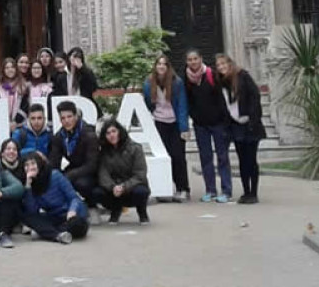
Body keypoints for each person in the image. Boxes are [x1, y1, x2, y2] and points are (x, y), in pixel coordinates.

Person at [183, 49, 233, 203]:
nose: (193, 62)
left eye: (195, 59)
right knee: (205, 158)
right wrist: (193, 116)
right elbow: (187, 100)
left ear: (201, 59)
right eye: (190, 59)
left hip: (218, 123)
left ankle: (226, 190)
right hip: (200, 125)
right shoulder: (186, 78)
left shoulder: (212, 75)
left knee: (222, 157)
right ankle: (210, 190)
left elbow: (222, 98)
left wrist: (225, 121)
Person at [216, 53, 266, 204]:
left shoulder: (242, 76)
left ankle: (254, 193)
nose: (221, 67)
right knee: (242, 160)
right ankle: (245, 192)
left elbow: (255, 96)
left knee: (251, 160)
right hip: (235, 125)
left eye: (223, 64)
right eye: (218, 65)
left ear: (229, 63)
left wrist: (253, 119)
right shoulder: (222, 83)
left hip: (250, 124)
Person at [142, 54, 191, 201]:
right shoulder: (149, 83)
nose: (161, 66)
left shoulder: (177, 82)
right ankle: (165, 189)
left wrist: (184, 128)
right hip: (159, 122)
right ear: (155, 66)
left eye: (164, 64)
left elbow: (182, 105)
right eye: (159, 64)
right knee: (162, 156)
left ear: (168, 67)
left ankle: (183, 188)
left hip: (175, 123)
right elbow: (147, 103)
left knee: (178, 156)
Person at [20, 152, 89, 244]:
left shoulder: (55, 175)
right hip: (54, 216)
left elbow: (73, 197)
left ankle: (46, 232)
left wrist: (72, 211)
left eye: (33, 163)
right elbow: (33, 210)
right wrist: (28, 186)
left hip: (71, 215)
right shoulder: (32, 185)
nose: (30, 167)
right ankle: (57, 235)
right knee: (27, 217)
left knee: (77, 224)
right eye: (26, 165)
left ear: (39, 164)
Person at [97, 120, 150, 224]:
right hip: (114, 188)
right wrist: (112, 187)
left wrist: (124, 187)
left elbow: (140, 174)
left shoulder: (136, 148)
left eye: (113, 131)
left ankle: (142, 212)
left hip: (132, 187)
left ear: (119, 131)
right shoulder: (103, 152)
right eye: (108, 133)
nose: (111, 135)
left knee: (141, 192)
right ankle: (115, 210)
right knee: (97, 193)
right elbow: (103, 173)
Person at [48, 100, 99, 204]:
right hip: (74, 169)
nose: (66, 121)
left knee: (81, 183)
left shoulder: (89, 133)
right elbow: (54, 162)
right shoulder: (59, 136)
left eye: (69, 116)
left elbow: (92, 165)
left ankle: (92, 203)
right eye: (63, 118)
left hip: (92, 172)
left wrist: (70, 175)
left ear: (76, 116)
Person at [0, 58, 27, 132]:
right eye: (7, 68)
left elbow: (25, 106)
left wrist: (15, 122)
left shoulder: (23, 86)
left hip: (20, 125)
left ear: (16, 69)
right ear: (3, 70)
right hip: (3, 125)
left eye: (12, 67)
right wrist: (6, 122)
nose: (10, 70)